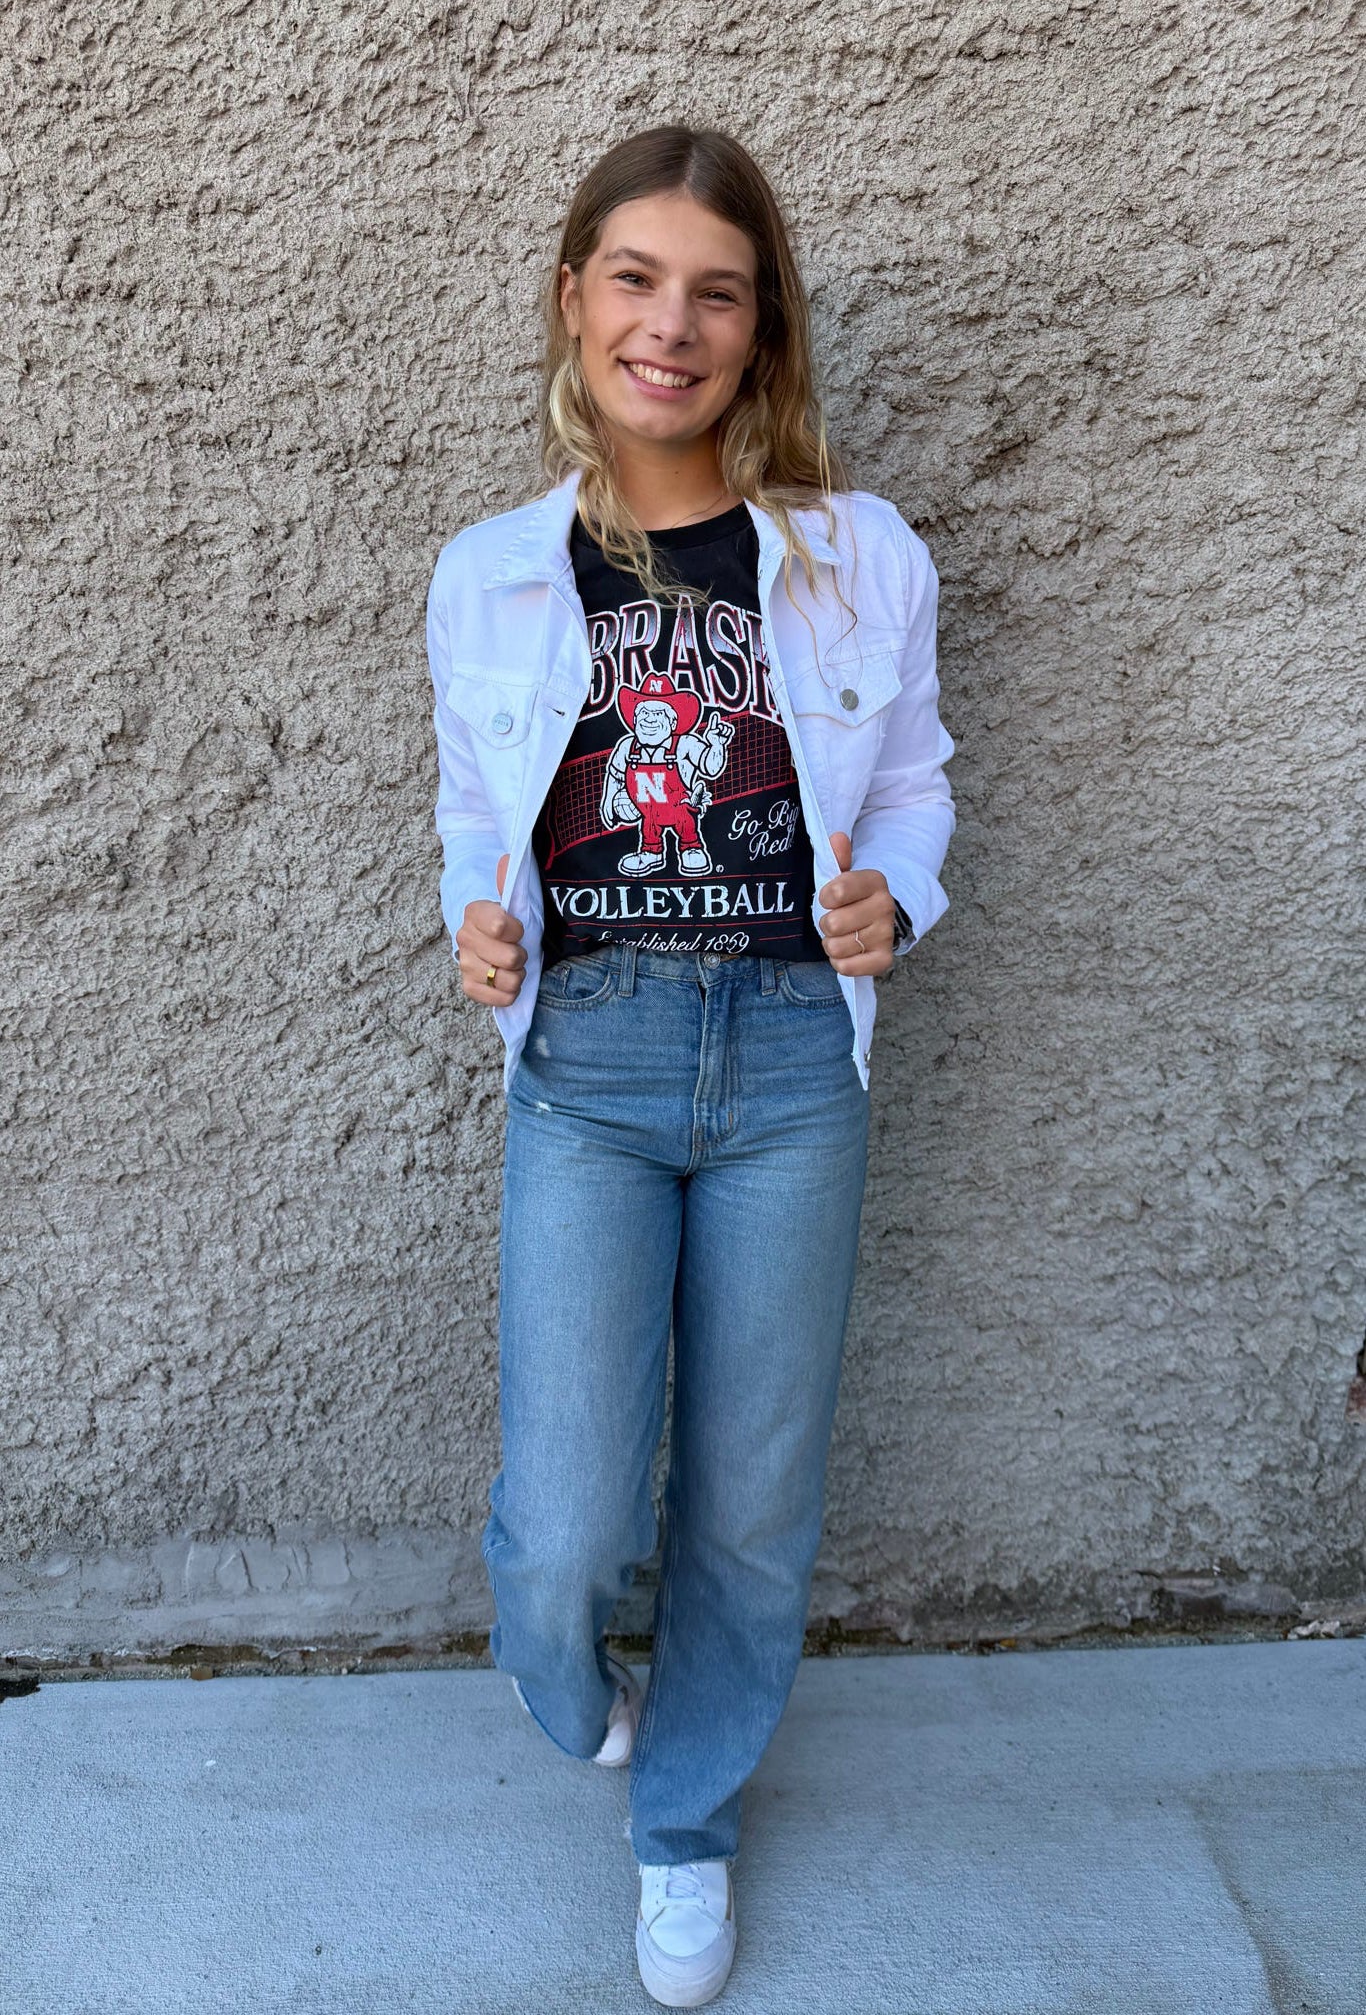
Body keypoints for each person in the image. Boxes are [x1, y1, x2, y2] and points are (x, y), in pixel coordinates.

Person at [424, 123, 955, 2008]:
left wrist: (898, 887)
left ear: (760, 327)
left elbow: (907, 784)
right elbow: (477, 823)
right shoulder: (491, 573)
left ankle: (688, 1828)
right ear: (573, 299)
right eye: (635, 280)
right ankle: (582, 1701)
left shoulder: (857, 556)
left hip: (795, 1060)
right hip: (589, 1052)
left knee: (746, 1494)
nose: (672, 324)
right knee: (564, 1524)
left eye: (715, 292)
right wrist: (475, 931)